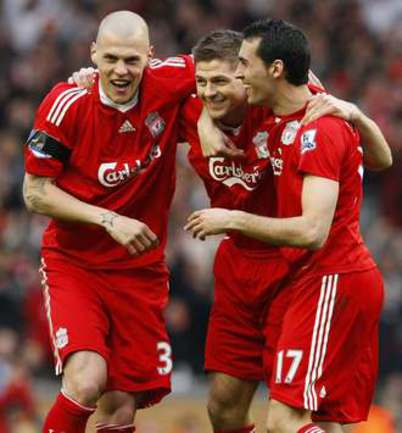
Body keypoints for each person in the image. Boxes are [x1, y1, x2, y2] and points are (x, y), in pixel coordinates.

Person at [71, 29, 391, 433]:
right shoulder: (189, 108)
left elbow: (365, 157)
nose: (209, 92)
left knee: (297, 413)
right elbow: (128, 78)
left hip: (294, 267)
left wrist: (354, 113)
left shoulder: (289, 107)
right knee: (223, 408)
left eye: (225, 79)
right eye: (202, 83)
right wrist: (89, 79)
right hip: (238, 269)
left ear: (247, 75)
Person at [185, 19, 390, 433]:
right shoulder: (282, 115)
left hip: (328, 277)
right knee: (303, 417)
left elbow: (314, 231)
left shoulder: (318, 126)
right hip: (302, 276)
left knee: (286, 420)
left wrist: (231, 219)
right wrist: (205, 119)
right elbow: (381, 159)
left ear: (275, 69)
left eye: (244, 66)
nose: (239, 75)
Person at [23, 10, 195, 433]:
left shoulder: (169, 81)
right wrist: (109, 220)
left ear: (150, 56)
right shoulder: (67, 103)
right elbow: (35, 192)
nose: (121, 70)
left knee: (120, 407)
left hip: (140, 271)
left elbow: (241, 61)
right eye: (111, 58)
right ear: (93, 53)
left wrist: (323, 98)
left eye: (132, 60)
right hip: (76, 264)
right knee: (86, 381)